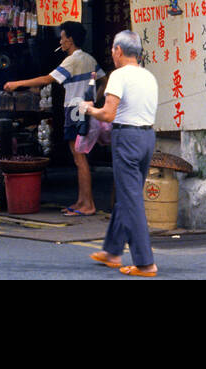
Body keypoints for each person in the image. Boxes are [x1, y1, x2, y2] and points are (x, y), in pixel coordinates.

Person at [4, 21, 104, 216]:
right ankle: (82, 201)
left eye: (63, 37)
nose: (61, 40)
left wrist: (17, 84)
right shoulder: (89, 59)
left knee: (79, 159)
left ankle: (88, 204)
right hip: (83, 109)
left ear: (70, 40)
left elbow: (47, 79)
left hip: (74, 110)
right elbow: (104, 81)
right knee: (80, 157)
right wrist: (93, 100)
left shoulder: (72, 60)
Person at [84, 30, 158, 277]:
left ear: (118, 50)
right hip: (147, 137)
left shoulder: (118, 76)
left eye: (113, 50)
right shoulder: (148, 76)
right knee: (129, 194)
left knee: (131, 199)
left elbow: (108, 114)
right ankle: (113, 251)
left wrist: (89, 109)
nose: (112, 54)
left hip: (127, 137)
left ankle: (145, 263)